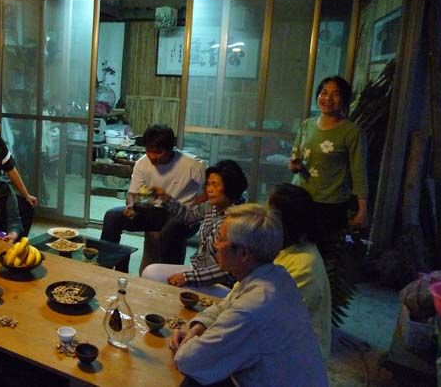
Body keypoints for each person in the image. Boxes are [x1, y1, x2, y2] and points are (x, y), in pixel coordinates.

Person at [171, 204, 328, 387]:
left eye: (220, 239)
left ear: (243, 253)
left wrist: (191, 344)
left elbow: (189, 361)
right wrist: (198, 327)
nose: (215, 245)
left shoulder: (252, 309)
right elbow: (226, 304)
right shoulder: (274, 275)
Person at [99, 125, 205, 264]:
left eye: (158, 152)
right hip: (154, 211)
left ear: (170, 149)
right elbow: (132, 193)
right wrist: (130, 206)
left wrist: (194, 206)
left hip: (182, 215)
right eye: (149, 151)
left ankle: (166, 273)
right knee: (112, 216)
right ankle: (105, 264)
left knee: (171, 230)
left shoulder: (193, 164)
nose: (152, 156)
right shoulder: (142, 163)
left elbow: (209, 191)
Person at [142, 160, 247, 295]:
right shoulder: (211, 206)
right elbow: (189, 216)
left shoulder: (240, 219)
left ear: (230, 187)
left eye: (215, 185)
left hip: (220, 283)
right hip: (198, 269)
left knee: (168, 288)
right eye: (208, 184)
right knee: (150, 272)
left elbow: (229, 271)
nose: (209, 189)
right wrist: (165, 198)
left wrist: (188, 277)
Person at [289, 75, 369, 238]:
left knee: (325, 247)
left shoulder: (352, 132)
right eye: (324, 93)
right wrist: (294, 166)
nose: (328, 98)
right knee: (299, 245)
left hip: (331, 203)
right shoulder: (307, 125)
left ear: (344, 99)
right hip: (300, 197)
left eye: (335, 94)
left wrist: (362, 210)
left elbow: (359, 172)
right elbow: (295, 156)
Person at [268, 183, 332, 360]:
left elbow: (273, 320)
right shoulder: (284, 248)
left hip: (294, 358)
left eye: (271, 215)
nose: (266, 222)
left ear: (288, 222)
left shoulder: (304, 266)